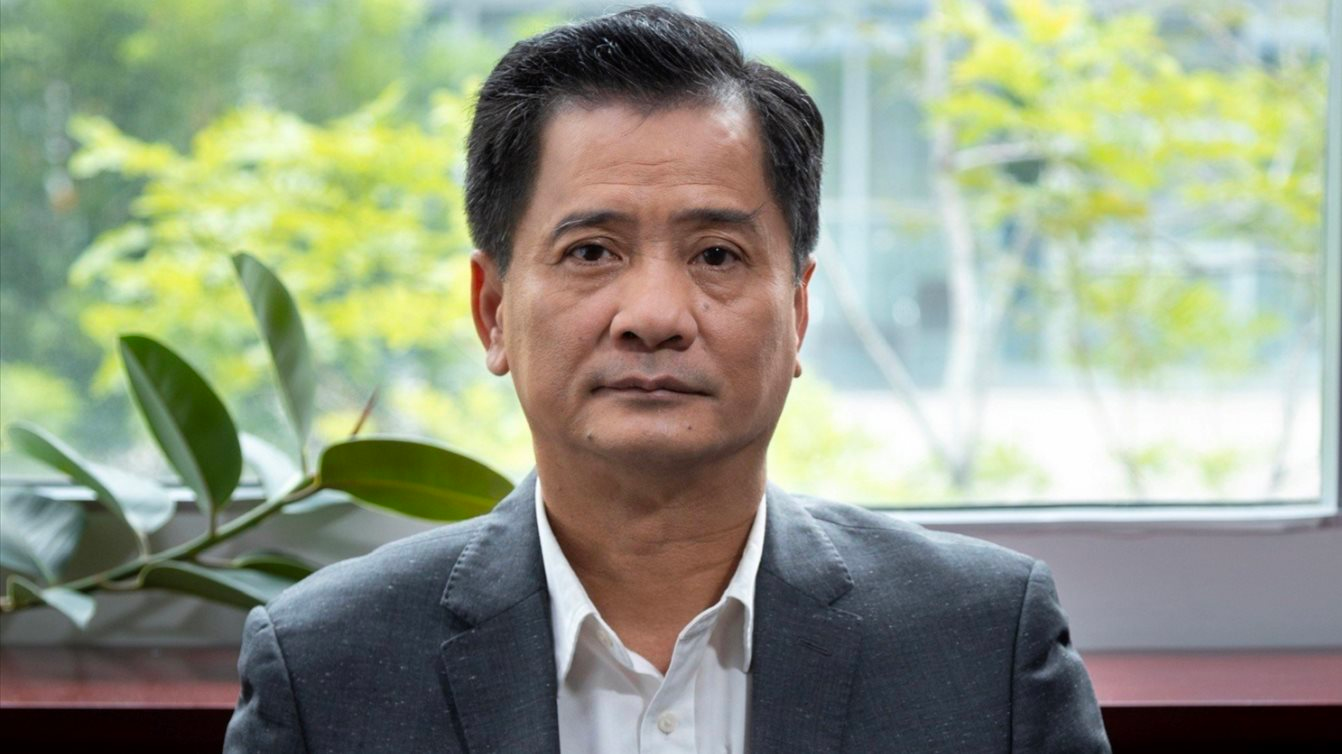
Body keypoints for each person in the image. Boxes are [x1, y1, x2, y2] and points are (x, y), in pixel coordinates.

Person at [224, 6, 1110, 752]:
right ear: (492, 310)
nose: (654, 314)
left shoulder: (983, 644)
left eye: (717, 254)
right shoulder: (327, 669)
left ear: (799, 311)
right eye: (591, 251)